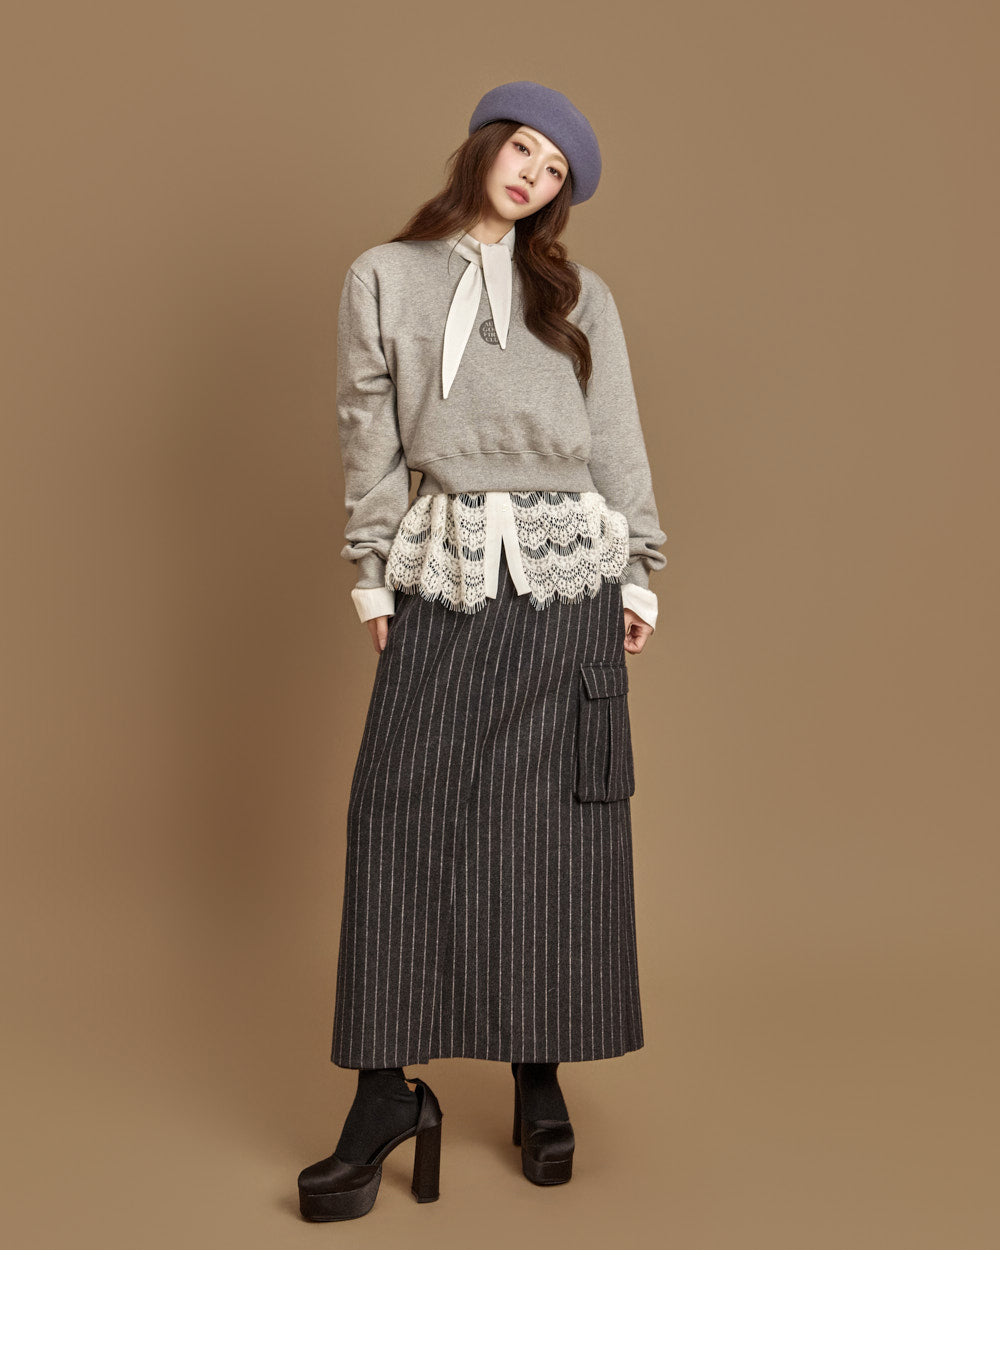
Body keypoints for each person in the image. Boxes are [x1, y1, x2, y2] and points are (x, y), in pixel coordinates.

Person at [297, 80, 667, 1222]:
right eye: (525, 150)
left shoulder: (577, 295)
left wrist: (640, 566)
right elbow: (366, 433)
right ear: (485, 147)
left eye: (555, 171)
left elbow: (616, 435)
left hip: (567, 572)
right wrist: (371, 568)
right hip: (448, 566)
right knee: (395, 810)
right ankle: (383, 1095)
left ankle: (537, 1077)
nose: (534, 176)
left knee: (550, 829)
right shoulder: (383, 277)